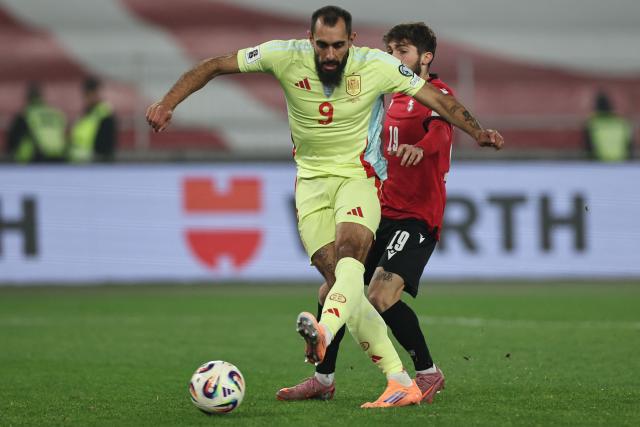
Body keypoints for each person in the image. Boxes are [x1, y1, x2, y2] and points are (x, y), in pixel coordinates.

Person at [146, 6, 503, 408]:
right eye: (322, 46)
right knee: (336, 284)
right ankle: (385, 378)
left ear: (351, 41)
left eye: (337, 46)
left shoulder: (376, 66)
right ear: (309, 39)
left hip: (358, 178)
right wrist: (167, 103)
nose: (330, 55)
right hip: (311, 186)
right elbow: (213, 65)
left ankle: (331, 335)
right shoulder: (283, 55)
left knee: (354, 261)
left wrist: (477, 131)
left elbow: (439, 100)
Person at [277, 22, 457, 405]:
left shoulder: (435, 93)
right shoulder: (385, 94)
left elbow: (442, 131)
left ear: (425, 58)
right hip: (382, 209)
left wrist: (422, 148)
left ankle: (426, 373)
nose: (394, 58)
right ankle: (322, 380)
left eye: (403, 51)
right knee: (331, 291)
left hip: (416, 217)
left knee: (379, 295)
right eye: (390, 50)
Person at [5, 82, 67, 163]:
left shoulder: (25, 115)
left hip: (36, 161)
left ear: (27, 99)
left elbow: (11, 142)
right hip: (61, 159)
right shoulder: (56, 114)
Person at [69, 76, 118, 162]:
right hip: (82, 163)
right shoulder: (87, 114)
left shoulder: (104, 114)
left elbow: (106, 146)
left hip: (95, 164)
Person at [584, 91, 633, 162]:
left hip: (601, 162)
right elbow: (630, 146)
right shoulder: (622, 122)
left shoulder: (593, 123)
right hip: (622, 162)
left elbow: (588, 147)